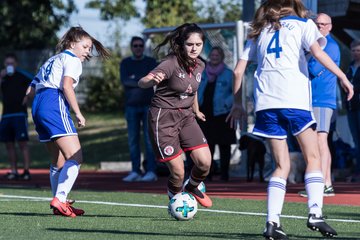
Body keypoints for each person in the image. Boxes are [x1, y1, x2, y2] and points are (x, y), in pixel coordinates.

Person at [226, 0, 353, 239]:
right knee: (313, 157)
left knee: (281, 166)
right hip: (294, 100)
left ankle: (272, 223)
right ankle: (315, 213)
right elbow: (318, 53)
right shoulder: (304, 25)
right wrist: (343, 77)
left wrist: (237, 104)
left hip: (266, 105)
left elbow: (237, 71)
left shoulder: (258, 31)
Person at [25, 26, 110, 217]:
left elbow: (30, 88)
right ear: (72, 44)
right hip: (53, 102)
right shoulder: (72, 59)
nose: (88, 51)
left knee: (58, 160)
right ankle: (61, 198)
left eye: (90, 48)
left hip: (38, 105)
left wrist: (27, 104)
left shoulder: (52, 59)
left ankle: (58, 202)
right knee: (76, 156)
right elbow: (66, 86)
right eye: (85, 47)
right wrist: (78, 113)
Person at [138, 23, 213, 208]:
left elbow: (191, 90)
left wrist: (196, 110)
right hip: (163, 118)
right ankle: (175, 199)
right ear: (181, 44)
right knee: (178, 172)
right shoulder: (170, 63)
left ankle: (192, 187)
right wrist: (149, 81)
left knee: (205, 163)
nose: (194, 48)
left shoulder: (201, 64)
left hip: (186, 116)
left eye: (198, 44)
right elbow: (142, 82)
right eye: (190, 44)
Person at [298, 13, 339, 197]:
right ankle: (323, 183)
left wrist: (303, 54)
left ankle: (324, 184)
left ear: (330, 26)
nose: (320, 26)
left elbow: (314, 69)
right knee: (316, 142)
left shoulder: (328, 46)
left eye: (324, 24)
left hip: (322, 99)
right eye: (317, 24)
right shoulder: (316, 44)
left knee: (321, 141)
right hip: (311, 99)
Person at [120, 36, 158, 182]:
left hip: (149, 105)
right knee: (133, 140)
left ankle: (151, 171)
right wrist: (143, 80)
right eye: (135, 45)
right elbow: (125, 81)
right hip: (131, 107)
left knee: (149, 140)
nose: (138, 48)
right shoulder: (125, 63)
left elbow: (152, 80)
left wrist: (136, 80)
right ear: (131, 47)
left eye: (140, 45)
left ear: (143, 47)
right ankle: (135, 170)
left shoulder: (150, 62)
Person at [197, 46, 236, 181]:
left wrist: (227, 103)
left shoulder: (228, 73)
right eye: (212, 55)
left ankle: (225, 174)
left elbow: (235, 92)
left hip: (222, 113)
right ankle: (208, 174)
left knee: (224, 145)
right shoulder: (202, 72)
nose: (214, 57)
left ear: (222, 57)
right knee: (207, 146)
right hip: (205, 114)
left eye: (217, 55)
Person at [0, 53, 33, 180]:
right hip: (6, 115)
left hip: (19, 114)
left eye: (12, 63)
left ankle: (26, 170)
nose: (9, 66)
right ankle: (14, 170)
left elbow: (35, 81)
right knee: (9, 144)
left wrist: (28, 95)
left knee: (23, 144)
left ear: (16, 64)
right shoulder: (2, 77)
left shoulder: (22, 75)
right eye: (7, 63)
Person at [345, 39, 360, 182]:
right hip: (351, 108)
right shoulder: (350, 67)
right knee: (356, 141)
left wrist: (353, 88)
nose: (356, 53)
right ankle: (357, 171)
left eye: (358, 51)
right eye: (354, 51)